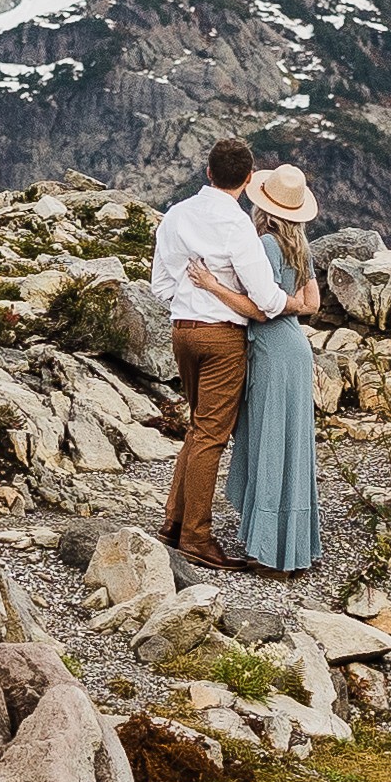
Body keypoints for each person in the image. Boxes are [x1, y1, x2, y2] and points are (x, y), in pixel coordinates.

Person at [152, 135, 287, 568]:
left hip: (182, 331)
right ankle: (196, 535)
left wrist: (197, 293)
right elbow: (265, 299)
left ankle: (174, 522)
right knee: (211, 435)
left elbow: (161, 288)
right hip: (223, 337)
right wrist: (296, 304)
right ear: (248, 181)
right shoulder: (237, 227)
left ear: (208, 172)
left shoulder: (175, 216)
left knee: (198, 428)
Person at [219, 163, 326, 573]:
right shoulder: (301, 247)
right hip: (297, 347)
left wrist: (214, 287)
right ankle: (294, 548)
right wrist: (292, 305)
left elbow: (259, 309)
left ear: (263, 207)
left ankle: (266, 550)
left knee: (268, 439)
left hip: (271, 349)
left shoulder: (263, 244)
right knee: (294, 443)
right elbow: (312, 305)